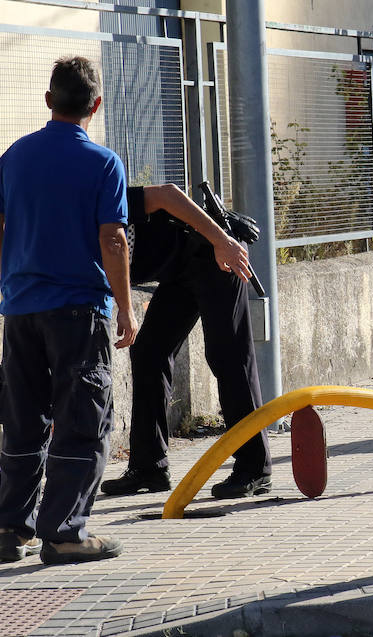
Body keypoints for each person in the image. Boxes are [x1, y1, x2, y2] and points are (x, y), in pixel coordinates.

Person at [0, 56, 137, 564]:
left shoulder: (16, 156)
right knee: (82, 421)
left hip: (21, 310)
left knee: (24, 419)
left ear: (49, 101)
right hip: (77, 310)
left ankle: (13, 529)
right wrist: (127, 309)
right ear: (96, 104)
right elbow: (112, 239)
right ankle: (65, 533)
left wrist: (13, 278)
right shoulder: (103, 162)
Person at [99, 183, 272, 499]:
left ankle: (254, 468)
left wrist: (221, 240)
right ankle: (149, 468)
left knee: (228, 358)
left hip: (215, 255)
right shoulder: (65, 245)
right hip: (177, 272)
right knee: (149, 352)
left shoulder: (99, 197)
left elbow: (167, 194)